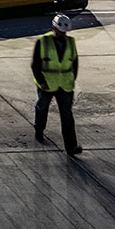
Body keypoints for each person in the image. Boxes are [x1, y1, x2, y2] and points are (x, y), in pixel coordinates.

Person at [33, 13, 82, 156]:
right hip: (47, 84)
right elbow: (35, 64)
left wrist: (72, 79)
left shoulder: (71, 43)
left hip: (65, 85)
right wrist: (41, 81)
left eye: (64, 32)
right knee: (42, 108)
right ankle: (39, 129)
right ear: (53, 28)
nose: (62, 34)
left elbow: (74, 63)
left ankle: (71, 147)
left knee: (67, 115)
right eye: (60, 31)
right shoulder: (43, 41)